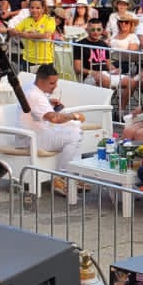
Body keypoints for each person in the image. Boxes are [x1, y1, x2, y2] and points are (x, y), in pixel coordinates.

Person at [23, 62, 86, 194]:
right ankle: (62, 176)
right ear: (40, 80)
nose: (55, 86)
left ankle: (73, 175)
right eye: (52, 83)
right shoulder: (35, 95)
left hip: (36, 132)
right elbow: (54, 118)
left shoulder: (32, 88)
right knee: (75, 134)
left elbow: (39, 109)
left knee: (75, 128)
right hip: (33, 138)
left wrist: (49, 102)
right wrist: (74, 115)